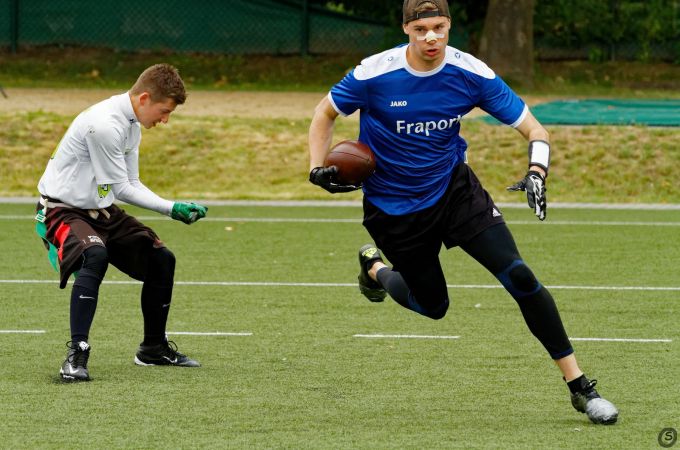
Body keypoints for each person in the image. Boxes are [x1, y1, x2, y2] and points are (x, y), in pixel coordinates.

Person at [308, 0, 618, 424]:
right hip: (393, 208)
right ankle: (375, 269)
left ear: (449, 25)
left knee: (521, 276)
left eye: (439, 27)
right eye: (421, 30)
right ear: (406, 30)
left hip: (455, 192)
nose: (431, 37)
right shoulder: (373, 73)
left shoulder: (469, 71)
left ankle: (580, 387)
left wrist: (537, 171)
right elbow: (324, 112)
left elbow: (535, 128)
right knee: (432, 306)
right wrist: (317, 164)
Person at [36, 63, 208, 382]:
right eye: (165, 110)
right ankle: (76, 354)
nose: (166, 119)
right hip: (62, 209)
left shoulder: (132, 124)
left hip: (100, 209)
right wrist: (172, 209)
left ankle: (153, 349)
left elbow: (130, 183)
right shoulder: (104, 124)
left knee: (161, 259)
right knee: (95, 255)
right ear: (144, 98)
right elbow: (121, 189)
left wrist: (171, 206)